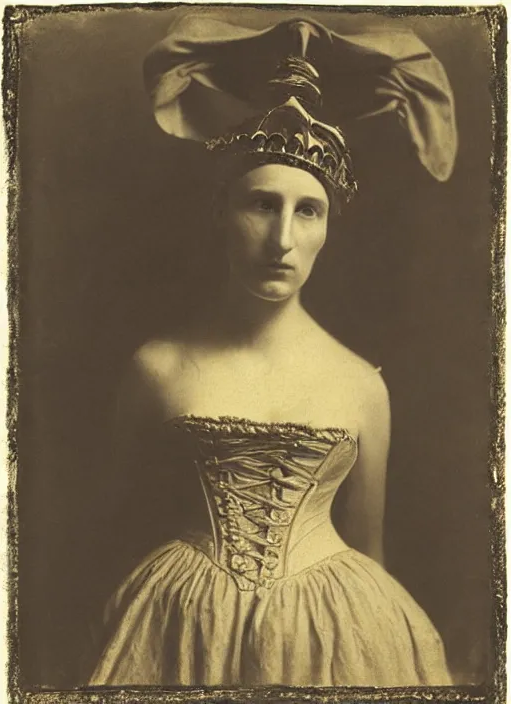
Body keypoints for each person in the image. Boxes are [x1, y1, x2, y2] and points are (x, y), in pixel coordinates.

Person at [90, 9, 457, 687]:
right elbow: (119, 524)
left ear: (327, 230)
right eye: (261, 205)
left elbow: (369, 544)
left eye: (307, 211)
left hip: (339, 623)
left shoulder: (360, 384)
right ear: (221, 213)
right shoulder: (156, 367)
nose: (282, 239)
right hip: (179, 621)